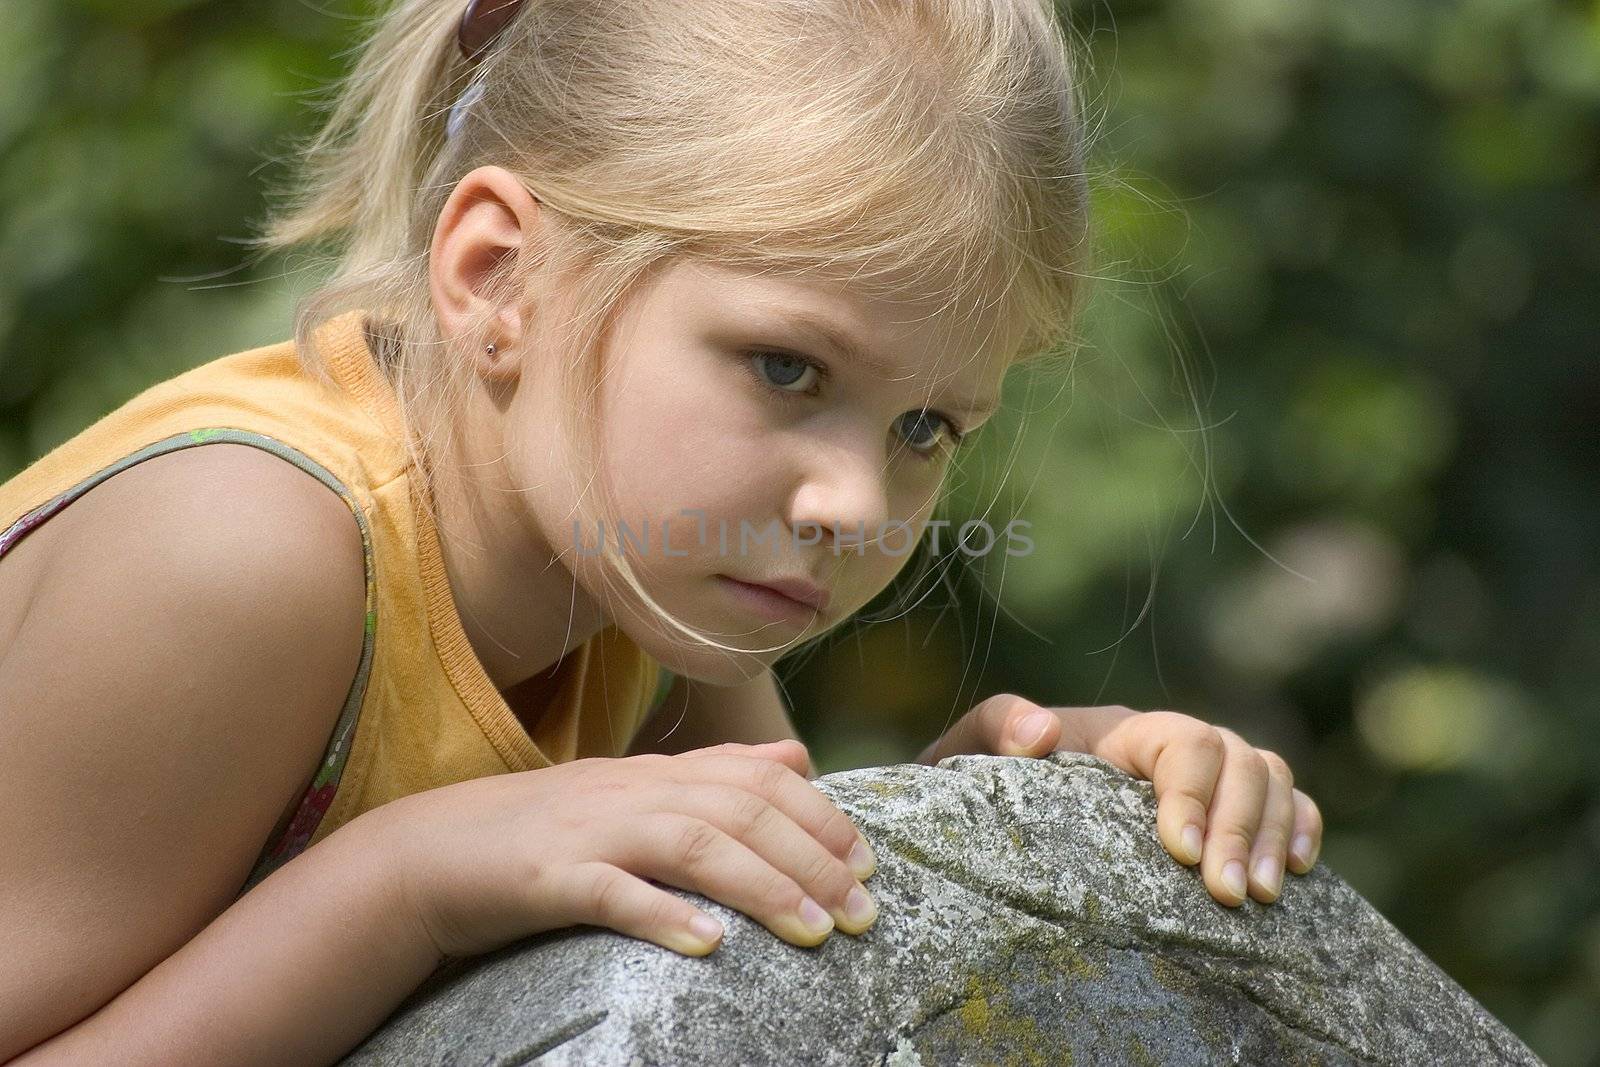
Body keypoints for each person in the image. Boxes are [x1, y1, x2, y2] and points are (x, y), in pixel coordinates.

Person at [0, 0, 1323, 1063]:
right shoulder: (241, 557)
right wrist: (402, 886)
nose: (857, 505)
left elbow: (789, 949)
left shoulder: (653, 596)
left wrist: (1005, 814)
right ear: (496, 278)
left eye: (926, 429)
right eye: (786, 372)